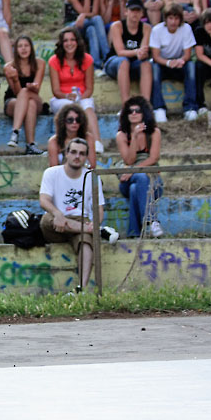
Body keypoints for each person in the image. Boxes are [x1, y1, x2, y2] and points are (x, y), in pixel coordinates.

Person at [39, 138, 109, 292]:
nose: (77, 156)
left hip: (80, 220)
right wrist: (58, 214)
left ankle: (81, 289)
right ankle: (88, 229)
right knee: (46, 219)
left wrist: (95, 223)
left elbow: (99, 208)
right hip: (55, 221)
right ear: (66, 154)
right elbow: (44, 200)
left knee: (85, 242)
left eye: (82, 154)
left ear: (86, 157)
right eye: (74, 152)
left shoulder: (92, 177)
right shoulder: (52, 173)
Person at [48, 27, 103, 153]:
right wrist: (68, 96)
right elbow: (55, 90)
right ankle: (64, 145)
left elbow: (89, 88)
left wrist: (80, 98)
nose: (69, 43)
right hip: (61, 98)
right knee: (69, 107)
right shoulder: (54, 60)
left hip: (82, 96)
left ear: (77, 42)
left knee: (87, 107)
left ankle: (97, 143)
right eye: (66, 40)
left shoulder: (87, 59)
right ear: (62, 43)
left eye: (72, 40)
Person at [116, 97, 163, 238]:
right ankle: (151, 220)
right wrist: (134, 137)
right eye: (130, 111)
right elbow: (129, 160)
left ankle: (134, 233)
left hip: (153, 182)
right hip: (128, 180)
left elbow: (153, 158)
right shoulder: (121, 135)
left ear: (144, 113)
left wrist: (133, 170)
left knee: (135, 189)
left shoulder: (154, 132)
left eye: (138, 110)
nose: (134, 113)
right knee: (138, 180)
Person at [149, 4, 197, 122]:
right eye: (170, 18)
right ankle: (158, 108)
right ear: (165, 18)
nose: (173, 22)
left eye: (176, 18)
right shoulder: (157, 30)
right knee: (153, 68)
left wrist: (181, 61)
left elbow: (187, 54)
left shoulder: (186, 28)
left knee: (191, 66)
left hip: (180, 63)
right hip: (163, 64)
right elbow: (155, 56)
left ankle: (190, 107)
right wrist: (169, 63)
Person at [103, 0, 152, 104]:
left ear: (142, 13)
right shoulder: (117, 26)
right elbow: (120, 52)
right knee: (123, 61)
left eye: (138, 11)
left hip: (134, 63)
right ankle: (126, 105)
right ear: (126, 12)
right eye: (132, 10)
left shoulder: (146, 28)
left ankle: (146, 104)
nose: (135, 13)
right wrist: (136, 52)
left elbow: (143, 53)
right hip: (114, 63)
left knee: (146, 64)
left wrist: (141, 53)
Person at [3, 35, 45, 154]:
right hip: (13, 100)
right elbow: (17, 93)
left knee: (28, 95)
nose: (23, 49)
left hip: (33, 96)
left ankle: (15, 132)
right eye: (20, 46)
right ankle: (30, 145)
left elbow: (36, 89)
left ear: (31, 48)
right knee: (28, 102)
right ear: (15, 49)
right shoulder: (9, 67)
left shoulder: (39, 63)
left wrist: (33, 87)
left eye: (26, 45)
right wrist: (16, 79)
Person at [64, 0, 108, 69]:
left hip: (88, 23)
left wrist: (83, 15)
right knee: (96, 20)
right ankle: (107, 55)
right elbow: (85, 12)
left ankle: (96, 65)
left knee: (92, 29)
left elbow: (94, 13)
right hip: (73, 25)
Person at [46, 103, 97, 169]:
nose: (74, 122)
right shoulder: (54, 141)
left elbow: (92, 165)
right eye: (70, 120)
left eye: (78, 120)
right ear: (63, 121)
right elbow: (53, 168)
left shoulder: (88, 138)